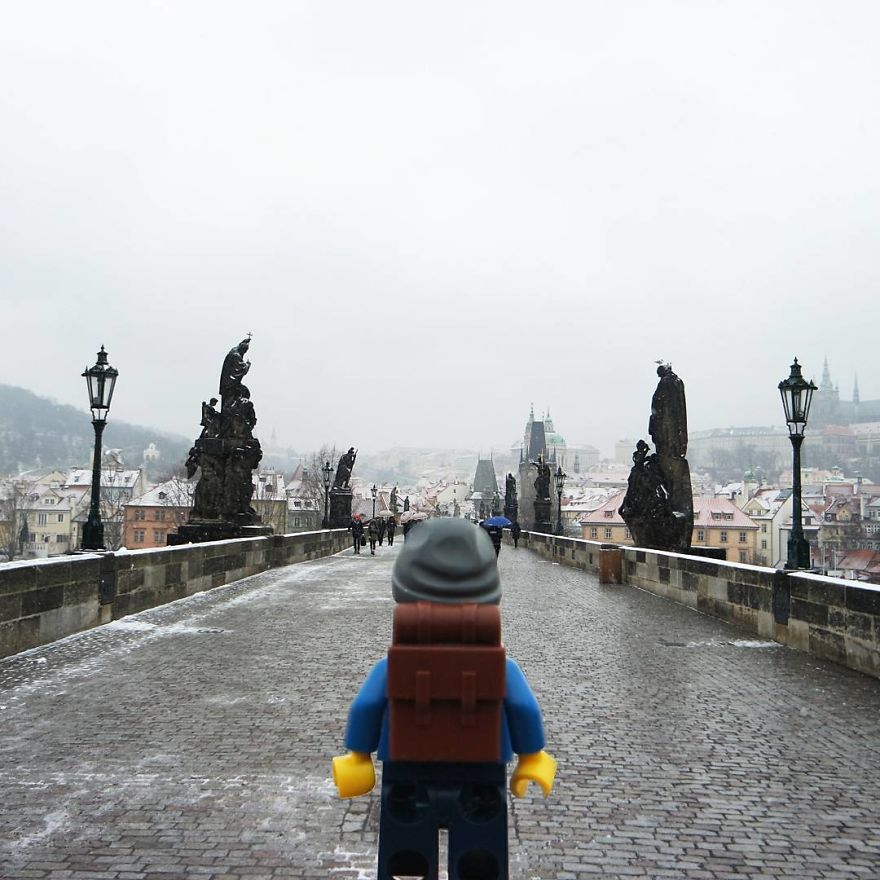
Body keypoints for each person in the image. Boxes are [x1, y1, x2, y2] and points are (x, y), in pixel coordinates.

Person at [332, 519, 556, 880]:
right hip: (483, 768)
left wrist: (358, 756)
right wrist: (533, 756)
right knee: (481, 848)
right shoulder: (501, 664)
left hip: (406, 766)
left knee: (405, 849)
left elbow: (367, 705)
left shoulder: (394, 663)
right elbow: (523, 707)